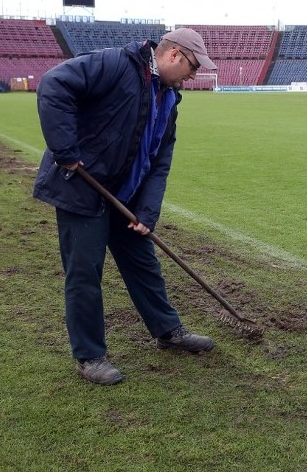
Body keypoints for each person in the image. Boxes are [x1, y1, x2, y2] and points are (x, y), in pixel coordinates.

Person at [33, 28, 218, 386]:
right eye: (193, 67)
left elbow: (159, 159)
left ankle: (167, 330)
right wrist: (65, 150)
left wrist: (147, 212)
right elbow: (54, 85)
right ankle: (89, 355)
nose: (194, 76)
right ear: (175, 55)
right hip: (82, 187)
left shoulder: (168, 98)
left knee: (143, 262)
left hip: (125, 195)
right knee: (85, 272)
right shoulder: (116, 64)